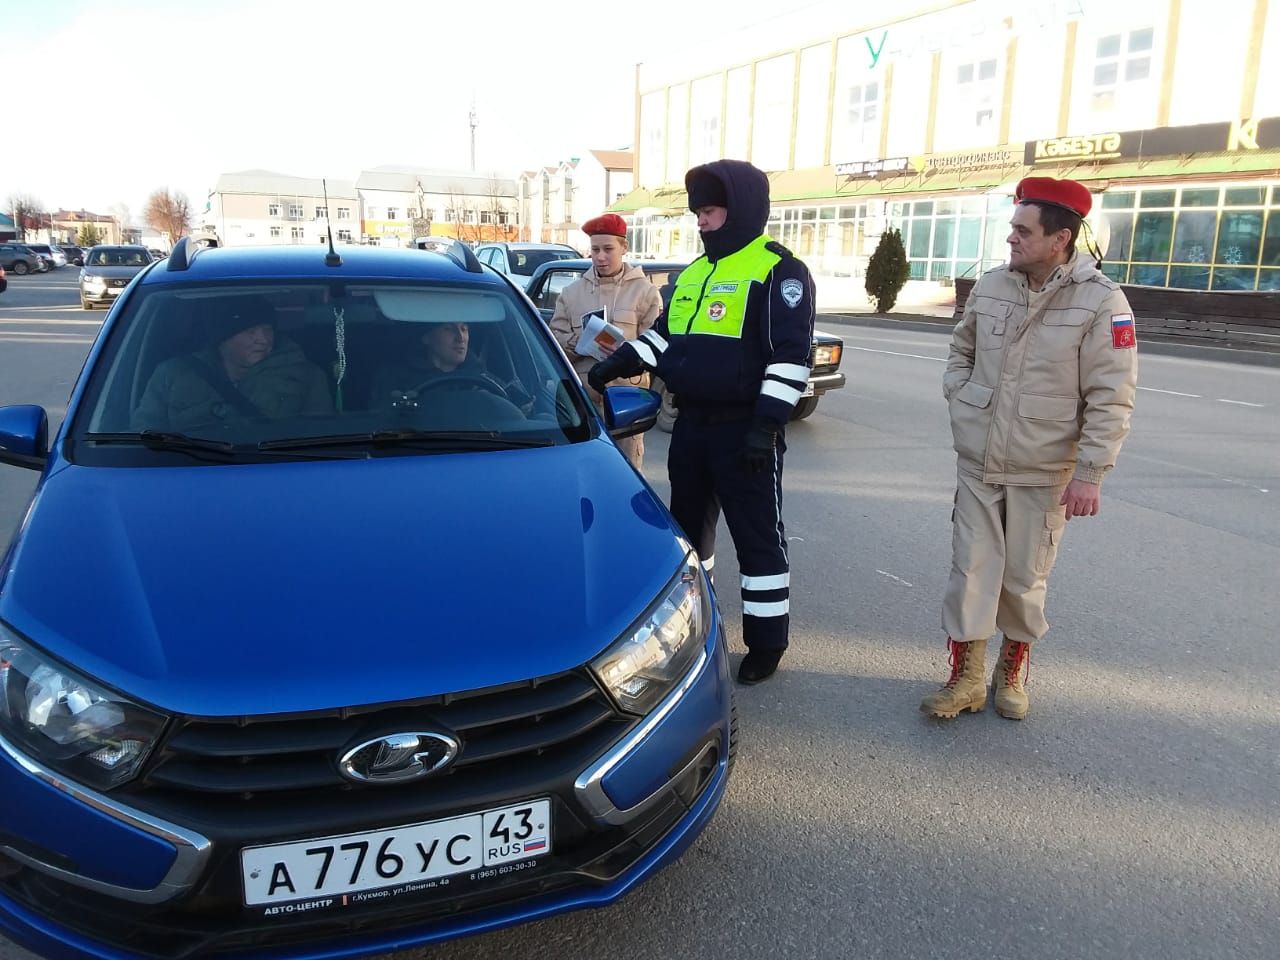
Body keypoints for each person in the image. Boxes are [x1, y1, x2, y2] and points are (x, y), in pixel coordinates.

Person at [587, 159, 815, 685]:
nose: (701, 221)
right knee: (688, 540)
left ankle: (767, 642)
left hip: (746, 433)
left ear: (738, 211)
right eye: (697, 213)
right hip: (691, 429)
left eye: (709, 211)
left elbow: (789, 357)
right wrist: (624, 360)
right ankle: (698, 629)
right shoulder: (694, 274)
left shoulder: (779, 271)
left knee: (759, 541)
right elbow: (666, 338)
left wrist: (767, 425)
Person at [922, 175, 1139, 721]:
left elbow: (1112, 396)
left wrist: (1090, 472)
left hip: (1045, 470)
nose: (1011, 239)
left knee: (1023, 577)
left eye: (1023, 230)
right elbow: (961, 348)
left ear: (1060, 238)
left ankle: (1011, 668)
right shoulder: (993, 286)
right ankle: (966, 677)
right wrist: (962, 395)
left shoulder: (1101, 303)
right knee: (969, 569)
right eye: (1012, 229)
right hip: (978, 460)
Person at [549, 213, 662, 469]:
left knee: (626, 476)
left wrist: (627, 353)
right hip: (581, 406)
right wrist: (582, 341)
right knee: (582, 474)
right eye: (595, 249)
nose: (600, 257)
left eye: (608, 249)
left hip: (627, 405)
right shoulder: (571, 293)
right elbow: (554, 343)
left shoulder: (645, 293)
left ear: (624, 247)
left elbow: (656, 344)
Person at [134, 296, 331, 432]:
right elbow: (142, 436)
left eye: (267, 329)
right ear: (223, 339)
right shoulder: (172, 375)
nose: (263, 340)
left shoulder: (304, 376)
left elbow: (322, 437)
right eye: (250, 332)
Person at [367, 320, 520, 416]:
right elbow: (381, 424)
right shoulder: (394, 379)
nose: (460, 338)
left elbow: (522, 414)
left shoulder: (484, 379)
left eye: (464, 328)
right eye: (449, 329)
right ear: (426, 337)